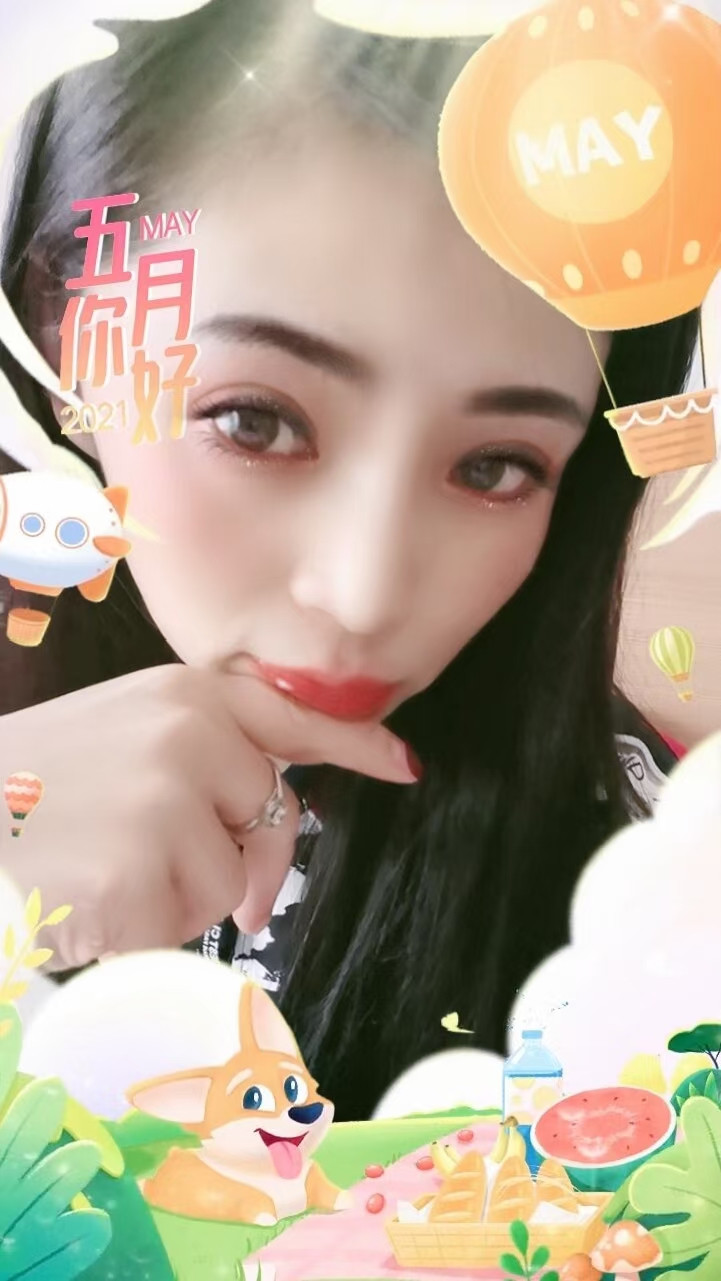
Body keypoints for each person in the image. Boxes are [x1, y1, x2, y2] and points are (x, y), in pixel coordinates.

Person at [0, 0, 695, 1121]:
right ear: (60, 336)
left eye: (495, 467)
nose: (364, 593)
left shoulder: (637, 881)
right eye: (256, 421)